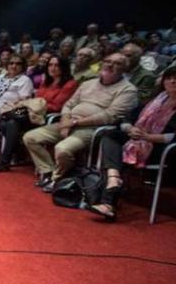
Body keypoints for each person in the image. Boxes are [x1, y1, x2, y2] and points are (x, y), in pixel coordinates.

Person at [22, 53, 137, 192]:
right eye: (107, 61)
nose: (110, 65)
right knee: (30, 137)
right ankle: (48, 171)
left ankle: (57, 179)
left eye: (117, 63)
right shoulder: (87, 83)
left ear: (125, 68)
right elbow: (69, 104)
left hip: (93, 129)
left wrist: (75, 123)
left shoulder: (128, 90)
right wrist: (65, 120)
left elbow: (110, 116)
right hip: (68, 122)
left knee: (62, 149)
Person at [88, 66, 176, 221]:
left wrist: (148, 137)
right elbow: (128, 118)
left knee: (119, 153)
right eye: (169, 78)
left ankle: (108, 200)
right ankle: (113, 180)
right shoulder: (156, 99)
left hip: (161, 150)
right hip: (137, 139)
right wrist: (130, 129)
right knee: (109, 135)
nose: (173, 81)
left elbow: (174, 137)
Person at [0, 56, 78, 172]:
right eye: (50, 65)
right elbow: (37, 100)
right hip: (29, 113)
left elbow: (57, 106)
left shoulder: (70, 84)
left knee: (10, 119)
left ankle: (9, 158)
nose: (53, 68)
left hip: (46, 116)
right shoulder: (46, 81)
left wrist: (36, 105)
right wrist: (32, 105)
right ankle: (9, 158)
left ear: (64, 67)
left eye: (56, 65)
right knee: (11, 121)